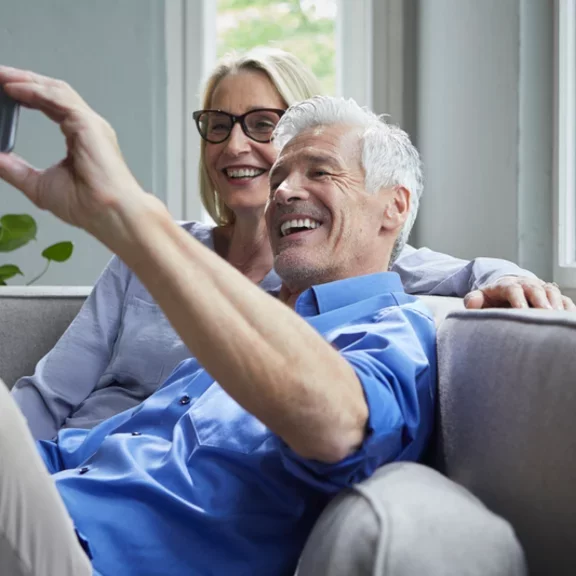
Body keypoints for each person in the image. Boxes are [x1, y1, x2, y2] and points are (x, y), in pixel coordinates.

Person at [0, 68, 525, 576]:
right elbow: (66, 447)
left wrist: (130, 215)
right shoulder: (228, 350)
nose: (283, 192)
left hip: (88, 554)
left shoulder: (391, 330)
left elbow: (338, 425)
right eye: (281, 178)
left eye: (319, 171)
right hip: (51, 507)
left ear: (394, 206)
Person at [10, 48, 573, 442]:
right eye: (218, 124)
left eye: (261, 124)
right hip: (74, 459)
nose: (235, 145)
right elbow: (50, 397)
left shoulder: (323, 272)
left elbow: (453, 268)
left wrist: (511, 280)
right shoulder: (157, 256)